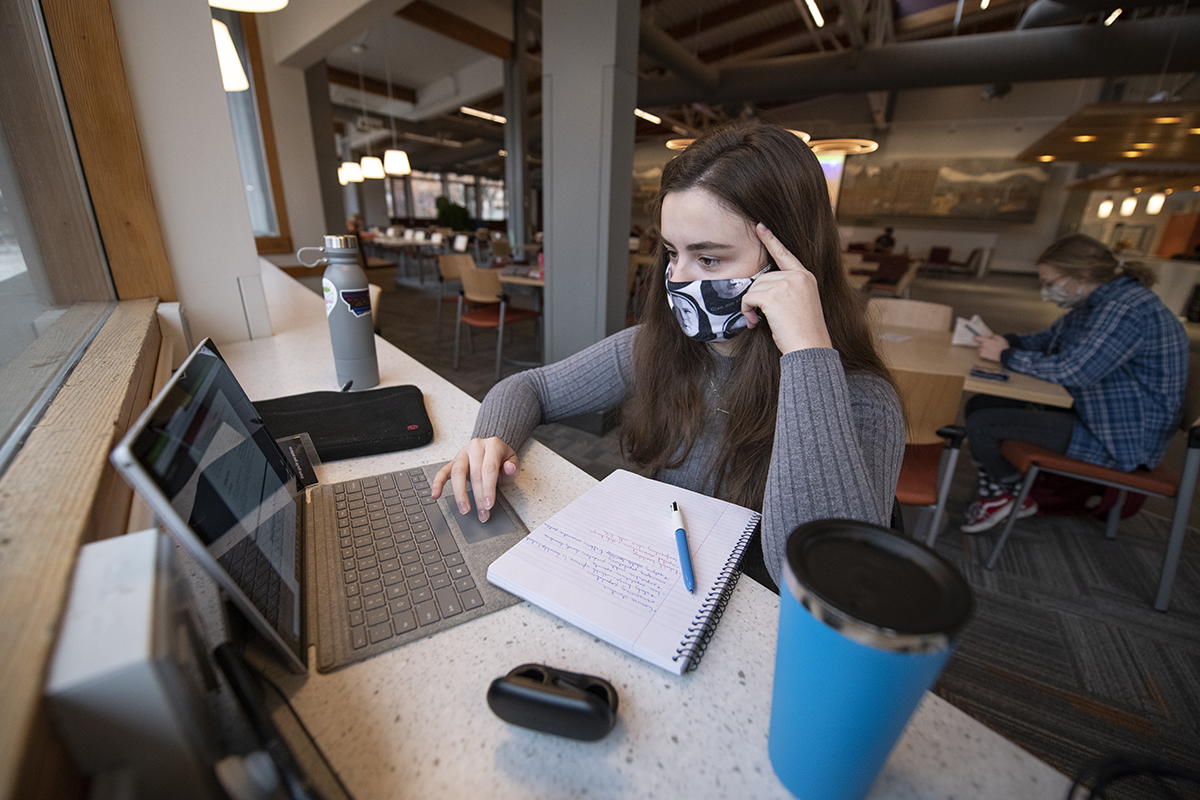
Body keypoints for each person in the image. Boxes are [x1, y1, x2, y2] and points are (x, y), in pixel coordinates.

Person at [430, 121, 905, 591]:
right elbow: (530, 386)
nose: (679, 278)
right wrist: (490, 439)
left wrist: (807, 355)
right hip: (664, 587)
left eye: (710, 259)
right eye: (672, 252)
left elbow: (817, 580)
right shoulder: (657, 347)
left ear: (790, 263)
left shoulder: (861, 399)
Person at [962, 234, 1188, 532]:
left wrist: (1006, 356)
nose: (1045, 292)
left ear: (1081, 276)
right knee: (982, 403)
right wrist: (1010, 342)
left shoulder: (1125, 310)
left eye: (1049, 283)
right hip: (1099, 413)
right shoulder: (1098, 300)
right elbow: (1051, 339)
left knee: (984, 423)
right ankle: (1003, 490)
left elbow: (1076, 370)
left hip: (1122, 438)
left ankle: (1012, 495)